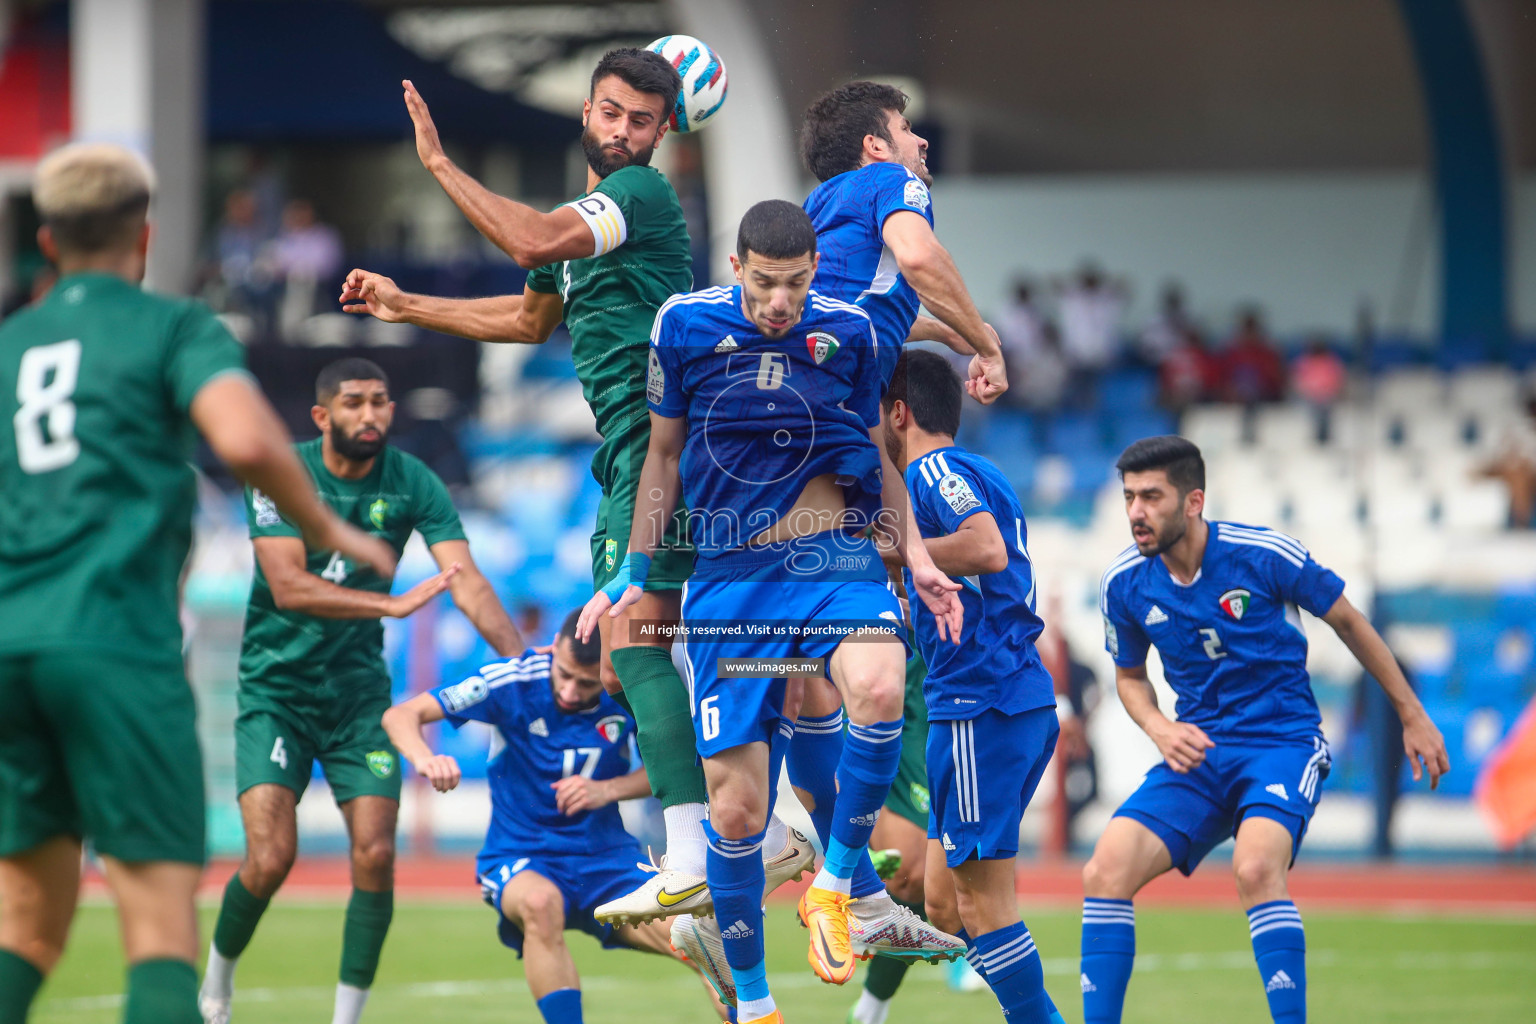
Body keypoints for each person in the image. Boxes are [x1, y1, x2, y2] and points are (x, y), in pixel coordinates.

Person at [338, 50, 813, 920]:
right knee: (640, 663)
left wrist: (440, 167)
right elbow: (528, 316)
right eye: (610, 113)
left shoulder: (639, 198)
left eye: (641, 119)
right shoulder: (583, 216)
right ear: (586, 114)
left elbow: (529, 239)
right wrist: (411, 306)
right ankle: (771, 822)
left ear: (666, 130)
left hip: (665, 441)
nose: (623, 130)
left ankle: (687, 852)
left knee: (634, 643)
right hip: (631, 450)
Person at [0, 142, 392, 1024]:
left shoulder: (9, 345)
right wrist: (326, 523)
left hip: (9, 649)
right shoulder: (169, 327)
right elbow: (248, 441)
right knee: (158, 930)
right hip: (111, 646)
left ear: (50, 241)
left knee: (25, 925)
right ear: (143, 238)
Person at [579, 201, 966, 1024]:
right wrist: (636, 568)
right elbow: (663, 452)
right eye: (763, 285)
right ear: (736, 268)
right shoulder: (682, 326)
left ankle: (835, 889)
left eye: (793, 285)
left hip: (836, 562)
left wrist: (919, 555)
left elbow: (877, 450)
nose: (779, 303)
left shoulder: (851, 333)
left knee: (880, 687)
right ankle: (754, 1006)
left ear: (815, 271)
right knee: (740, 812)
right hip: (730, 585)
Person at [198, 357, 525, 1024]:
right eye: (353, 403)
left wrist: (527, 665)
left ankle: (346, 1019)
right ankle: (217, 985)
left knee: (376, 853)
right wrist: (390, 607)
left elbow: (463, 579)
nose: (370, 414)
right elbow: (288, 586)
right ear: (322, 416)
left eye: (380, 402)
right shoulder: (281, 474)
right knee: (269, 858)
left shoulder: (413, 481)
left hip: (358, 700)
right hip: (276, 693)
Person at [1084, 435, 1451, 1024]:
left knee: (1255, 868)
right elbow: (1129, 677)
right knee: (1103, 870)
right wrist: (1158, 728)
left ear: (1194, 501)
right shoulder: (1124, 583)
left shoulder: (1263, 554)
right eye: (1129, 497)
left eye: (1151, 496)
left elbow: (1350, 622)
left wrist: (1411, 713)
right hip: (1197, 752)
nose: (1135, 513)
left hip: (1281, 742)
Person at [381, 610, 730, 1024]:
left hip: (608, 863)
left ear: (607, 670)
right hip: (524, 856)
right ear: (553, 651)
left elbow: (685, 763)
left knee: (701, 941)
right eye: (562, 674)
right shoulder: (513, 681)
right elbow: (400, 715)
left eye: (585, 683)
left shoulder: (631, 691)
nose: (568, 690)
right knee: (539, 905)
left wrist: (607, 790)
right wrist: (425, 758)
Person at [882, 349, 1066, 1024]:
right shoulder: (975, 469)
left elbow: (985, 548)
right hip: (990, 698)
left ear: (897, 414)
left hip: (981, 701)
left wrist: (897, 554)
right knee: (939, 902)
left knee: (986, 905)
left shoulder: (934, 469)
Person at [799, 79, 1008, 401]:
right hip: (829, 391)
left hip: (791, 378)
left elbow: (852, 307)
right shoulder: (892, 176)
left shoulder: (817, 205)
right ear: (876, 147)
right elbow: (919, 259)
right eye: (906, 129)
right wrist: (987, 348)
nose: (922, 141)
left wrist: (949, 331)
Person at [1219, 308, 1285, 405]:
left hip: (1263, 398)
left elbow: (1276, 379)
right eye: (1247, 330)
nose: (1249, 335)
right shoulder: (1230, 354)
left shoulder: (1267, 354)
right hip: (1234, 399)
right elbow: (1222, 379)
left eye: (1252, 330)